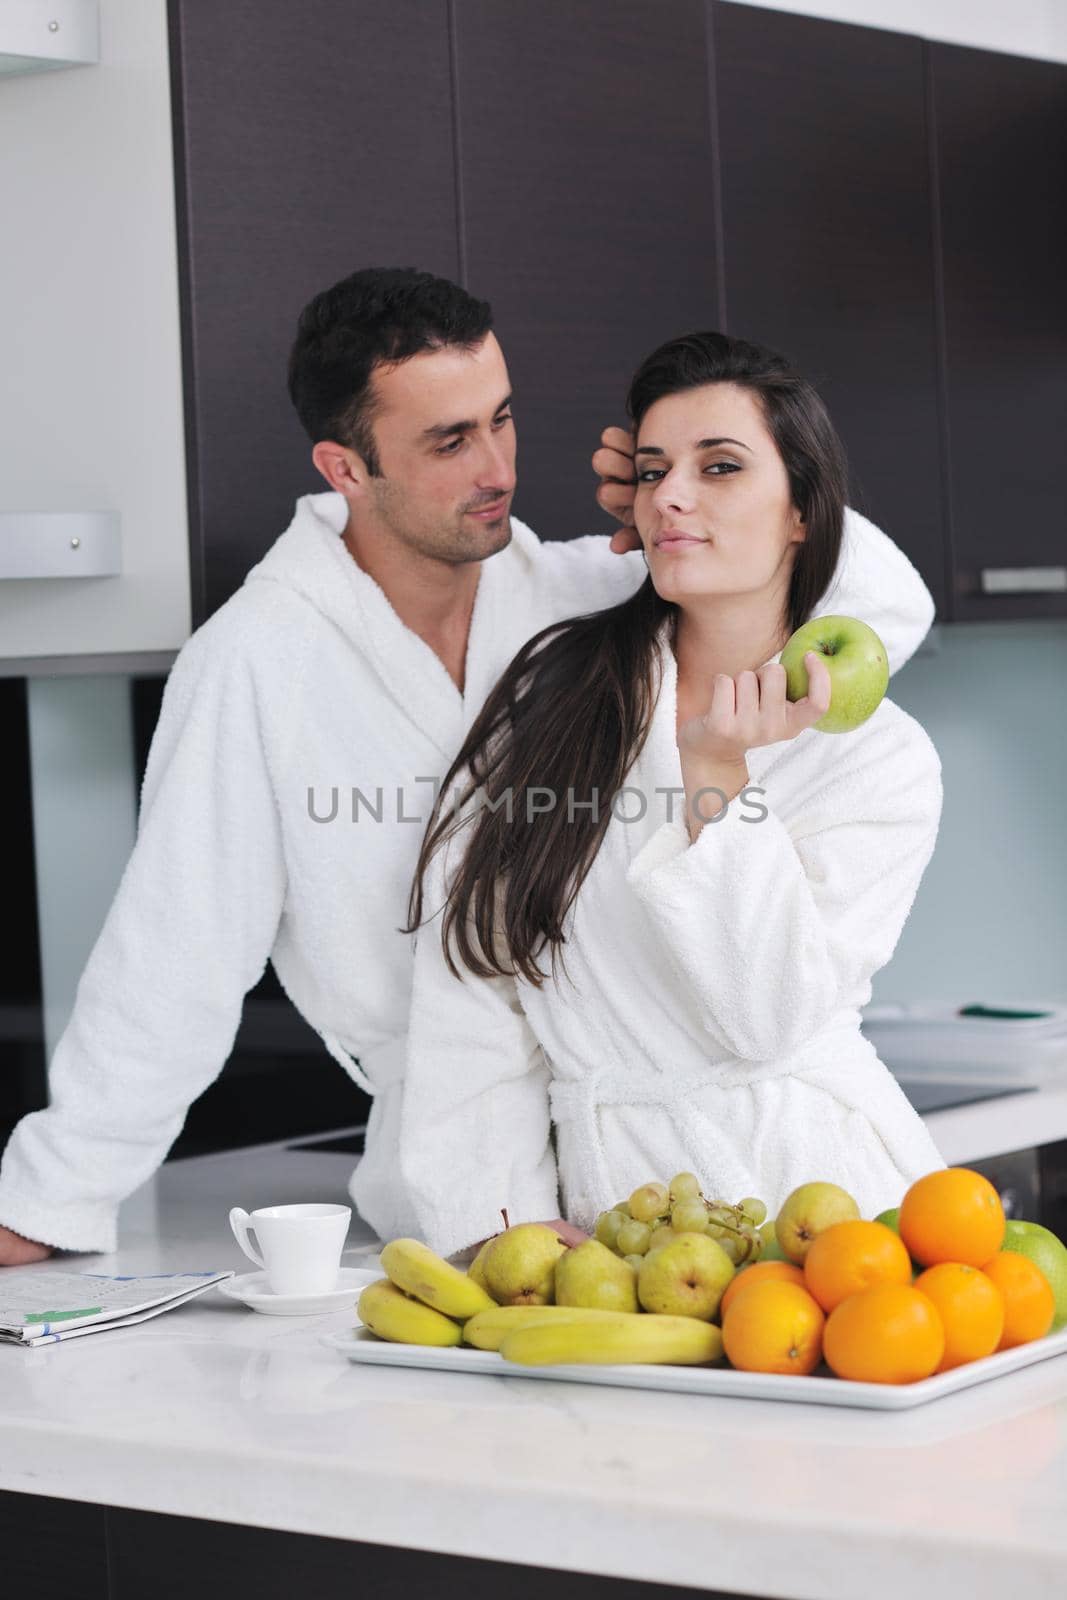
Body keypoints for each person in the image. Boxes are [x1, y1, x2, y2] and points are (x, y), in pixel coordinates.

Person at [0, 273, 933, 1267]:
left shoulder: (585, 596)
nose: (496, 467)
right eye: (449, 442)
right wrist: (51, 1195)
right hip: (471, 1156)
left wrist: (682, 499)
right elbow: (171, 958)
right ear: (344, 467)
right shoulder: (256, 663)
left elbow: (865, 615)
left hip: (731, 1161)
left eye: (502, 420)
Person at [397, 330, 946, 1259]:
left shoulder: (877, 758)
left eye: (720, 466)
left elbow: (765, 1017)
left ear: (804, 514)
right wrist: (496, 1221)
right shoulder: (556, 701)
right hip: (611, 1219)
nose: (670, 498)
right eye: (651, 472)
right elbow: (476, 979)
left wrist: (719, 782)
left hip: (827, 1209)